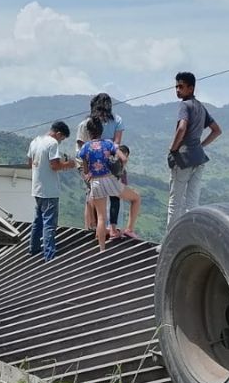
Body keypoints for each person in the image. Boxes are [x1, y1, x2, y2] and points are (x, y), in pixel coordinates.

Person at [167, 71, 222, 228]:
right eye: (176, 86)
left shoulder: (184, 105)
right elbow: (217, 130)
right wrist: (201, 145)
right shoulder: (200, 107)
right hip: (199, 159)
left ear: (190, 88)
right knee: (192, 204)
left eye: (181, 87)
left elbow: (182, 127)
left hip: (183, 159)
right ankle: (191, 239)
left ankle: (168, 243)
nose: (177, 90)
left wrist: (173, 149)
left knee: (174, 204)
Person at [77, 117, 142, 251]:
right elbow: (123, 158)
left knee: (101, 218)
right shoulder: (108, 143)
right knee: (136, 198)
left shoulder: (85, 147)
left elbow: (86, 170)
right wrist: (119, 169)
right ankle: (129, 229)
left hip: (95, 182)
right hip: (110, 180)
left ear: (89, 133)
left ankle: (102, 249)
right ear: (101, 130)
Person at [26, 120, 75, 261]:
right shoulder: (52, 143)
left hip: (37, 188)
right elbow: (55, 165)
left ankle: (34, 249)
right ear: (58, 134)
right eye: (62, 138)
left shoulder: (35, 141)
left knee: (38, 220)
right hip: (49, 190)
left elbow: (30, 163)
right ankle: (49, 255)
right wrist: (69, 164)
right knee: (49, 223)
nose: (61, 141)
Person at [76, 93, 125, 233]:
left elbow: (82, 146)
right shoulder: (117, 120)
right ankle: (109, 228)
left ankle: (92, 227)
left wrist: (87, 169)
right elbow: (117, 143)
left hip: (89, 164)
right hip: (108, 163)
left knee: (92, 193)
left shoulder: (87, 123)